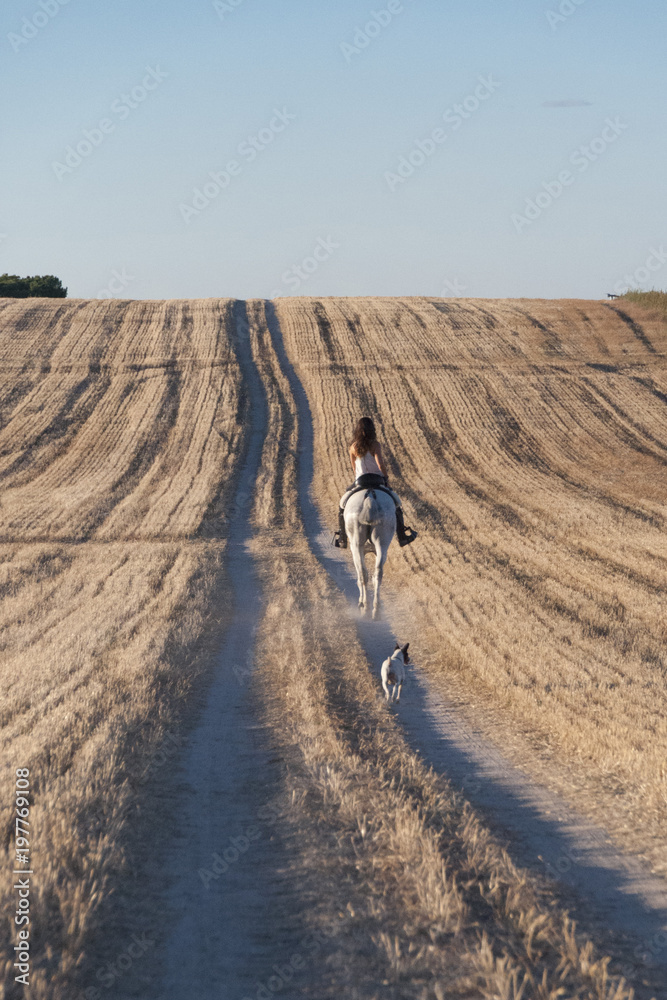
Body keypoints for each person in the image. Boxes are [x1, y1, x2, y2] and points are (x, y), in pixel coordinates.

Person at [334, 417, 418, 548]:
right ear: (372, 430)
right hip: (376, 480)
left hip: (360, 481)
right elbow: (380, 464)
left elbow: (354, 468)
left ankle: (342, 537)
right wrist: (386, 478)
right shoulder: (375, 445)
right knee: (396, 503)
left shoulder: (353, 447)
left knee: (342, 504)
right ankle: (402, 536)